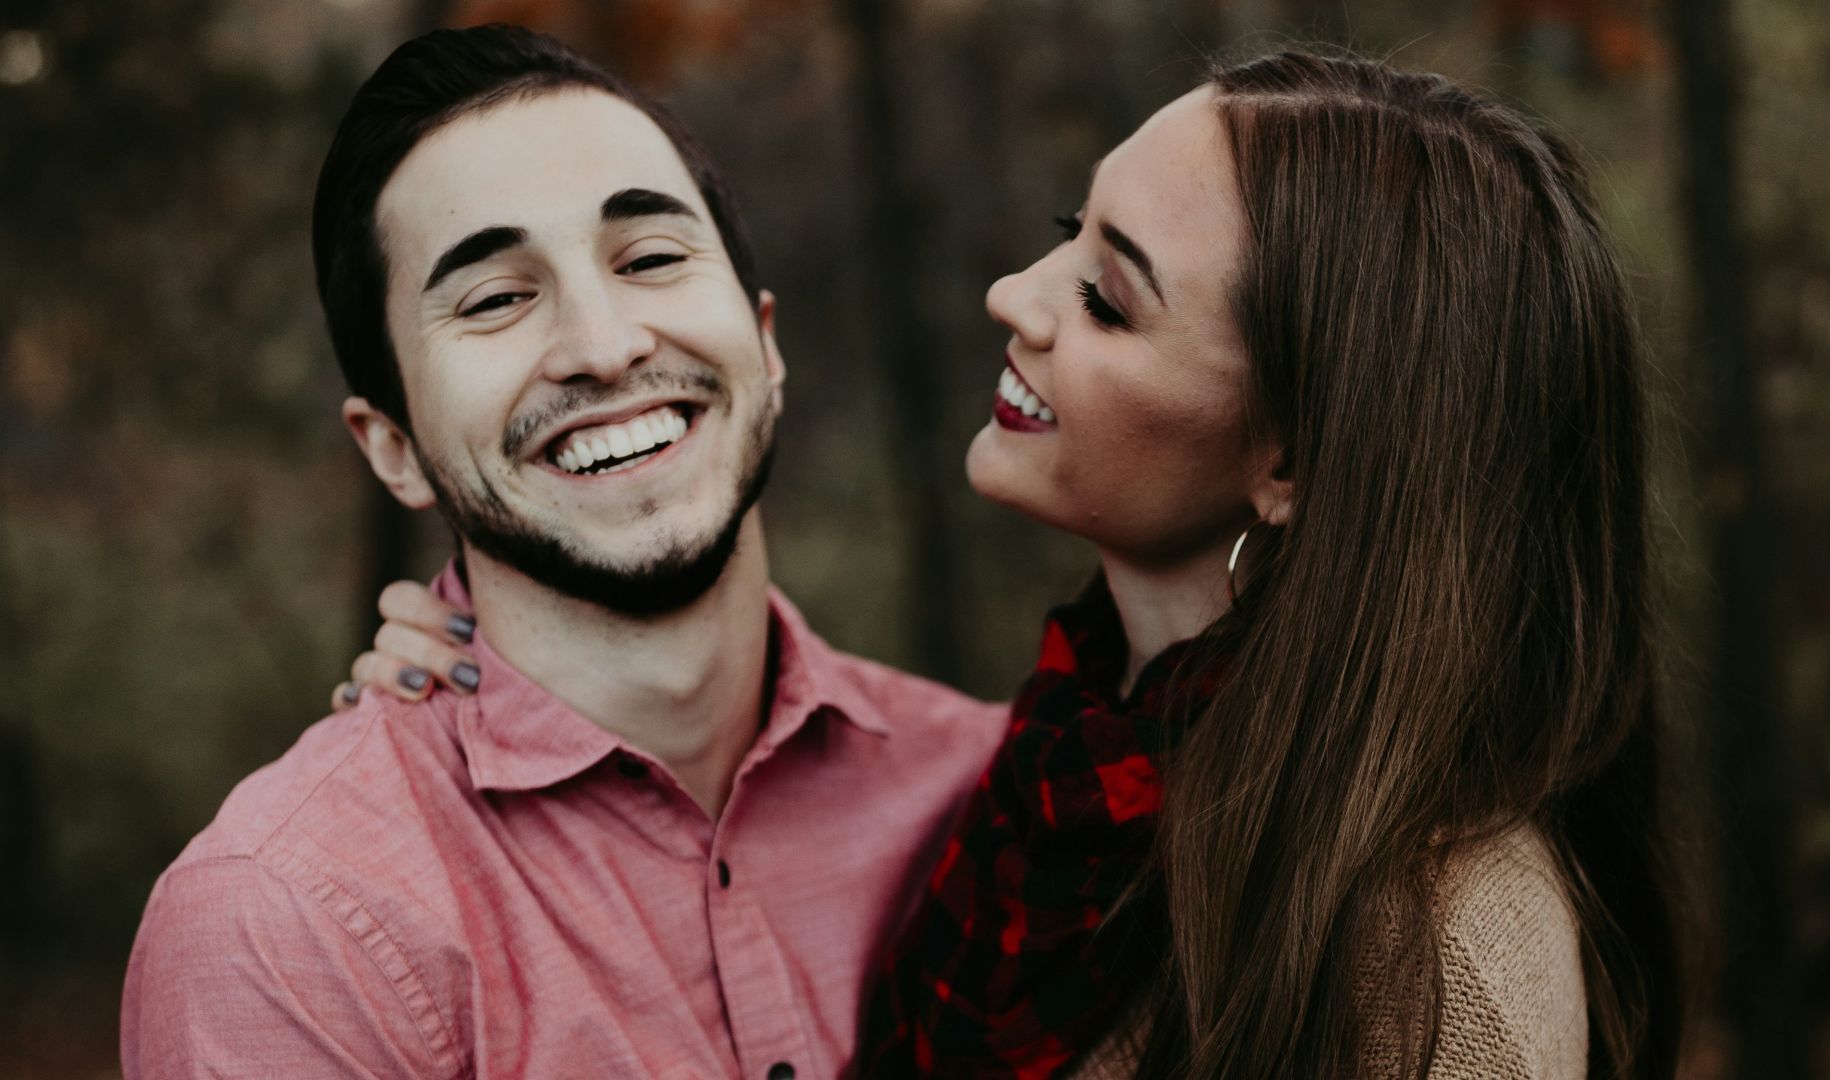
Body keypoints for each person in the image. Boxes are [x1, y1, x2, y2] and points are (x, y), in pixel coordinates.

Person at [353, 48, 1686, 1080]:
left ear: (1291, 462)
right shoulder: (1050, 781)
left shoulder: (1439, 948)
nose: (1017, 295)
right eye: (1069, 228)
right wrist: (503, 673)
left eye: (1107, 298)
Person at [119, 26, 1009, 1079]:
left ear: (766, 346)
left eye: (652, 258)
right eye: (496, 299)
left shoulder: (996, 798)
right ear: (393, 448)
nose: (603, 346)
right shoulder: (289, 926)